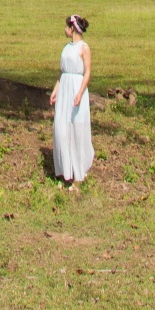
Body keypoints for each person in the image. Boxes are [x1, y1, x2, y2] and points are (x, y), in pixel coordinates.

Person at [50, 12, 94, 185]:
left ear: (72, 28)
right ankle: (64, 169)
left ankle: (78, 172)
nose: (64, 29)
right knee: (61, 127)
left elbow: (87, 71)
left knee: (76, 127)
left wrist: (80, 92)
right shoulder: (66, 47)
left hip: (76, 88)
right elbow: (62, 72)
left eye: (66, 26)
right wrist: (56, 90)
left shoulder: (84, 48)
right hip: (65, 88)